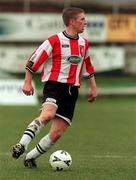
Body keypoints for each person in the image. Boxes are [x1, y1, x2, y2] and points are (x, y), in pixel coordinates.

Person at [12, 7, 97, 168]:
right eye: (82, 19)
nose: (85, 22)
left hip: (72, 90)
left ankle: (30, 158)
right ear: (72, 21)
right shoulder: (54, 40)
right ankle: (21, 145)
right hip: (54, 86)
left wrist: (93, 88)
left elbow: (88, 67)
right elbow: (33, 60)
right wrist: (27, 81)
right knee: (47, 115)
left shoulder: (84, 44)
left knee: (57, 133)